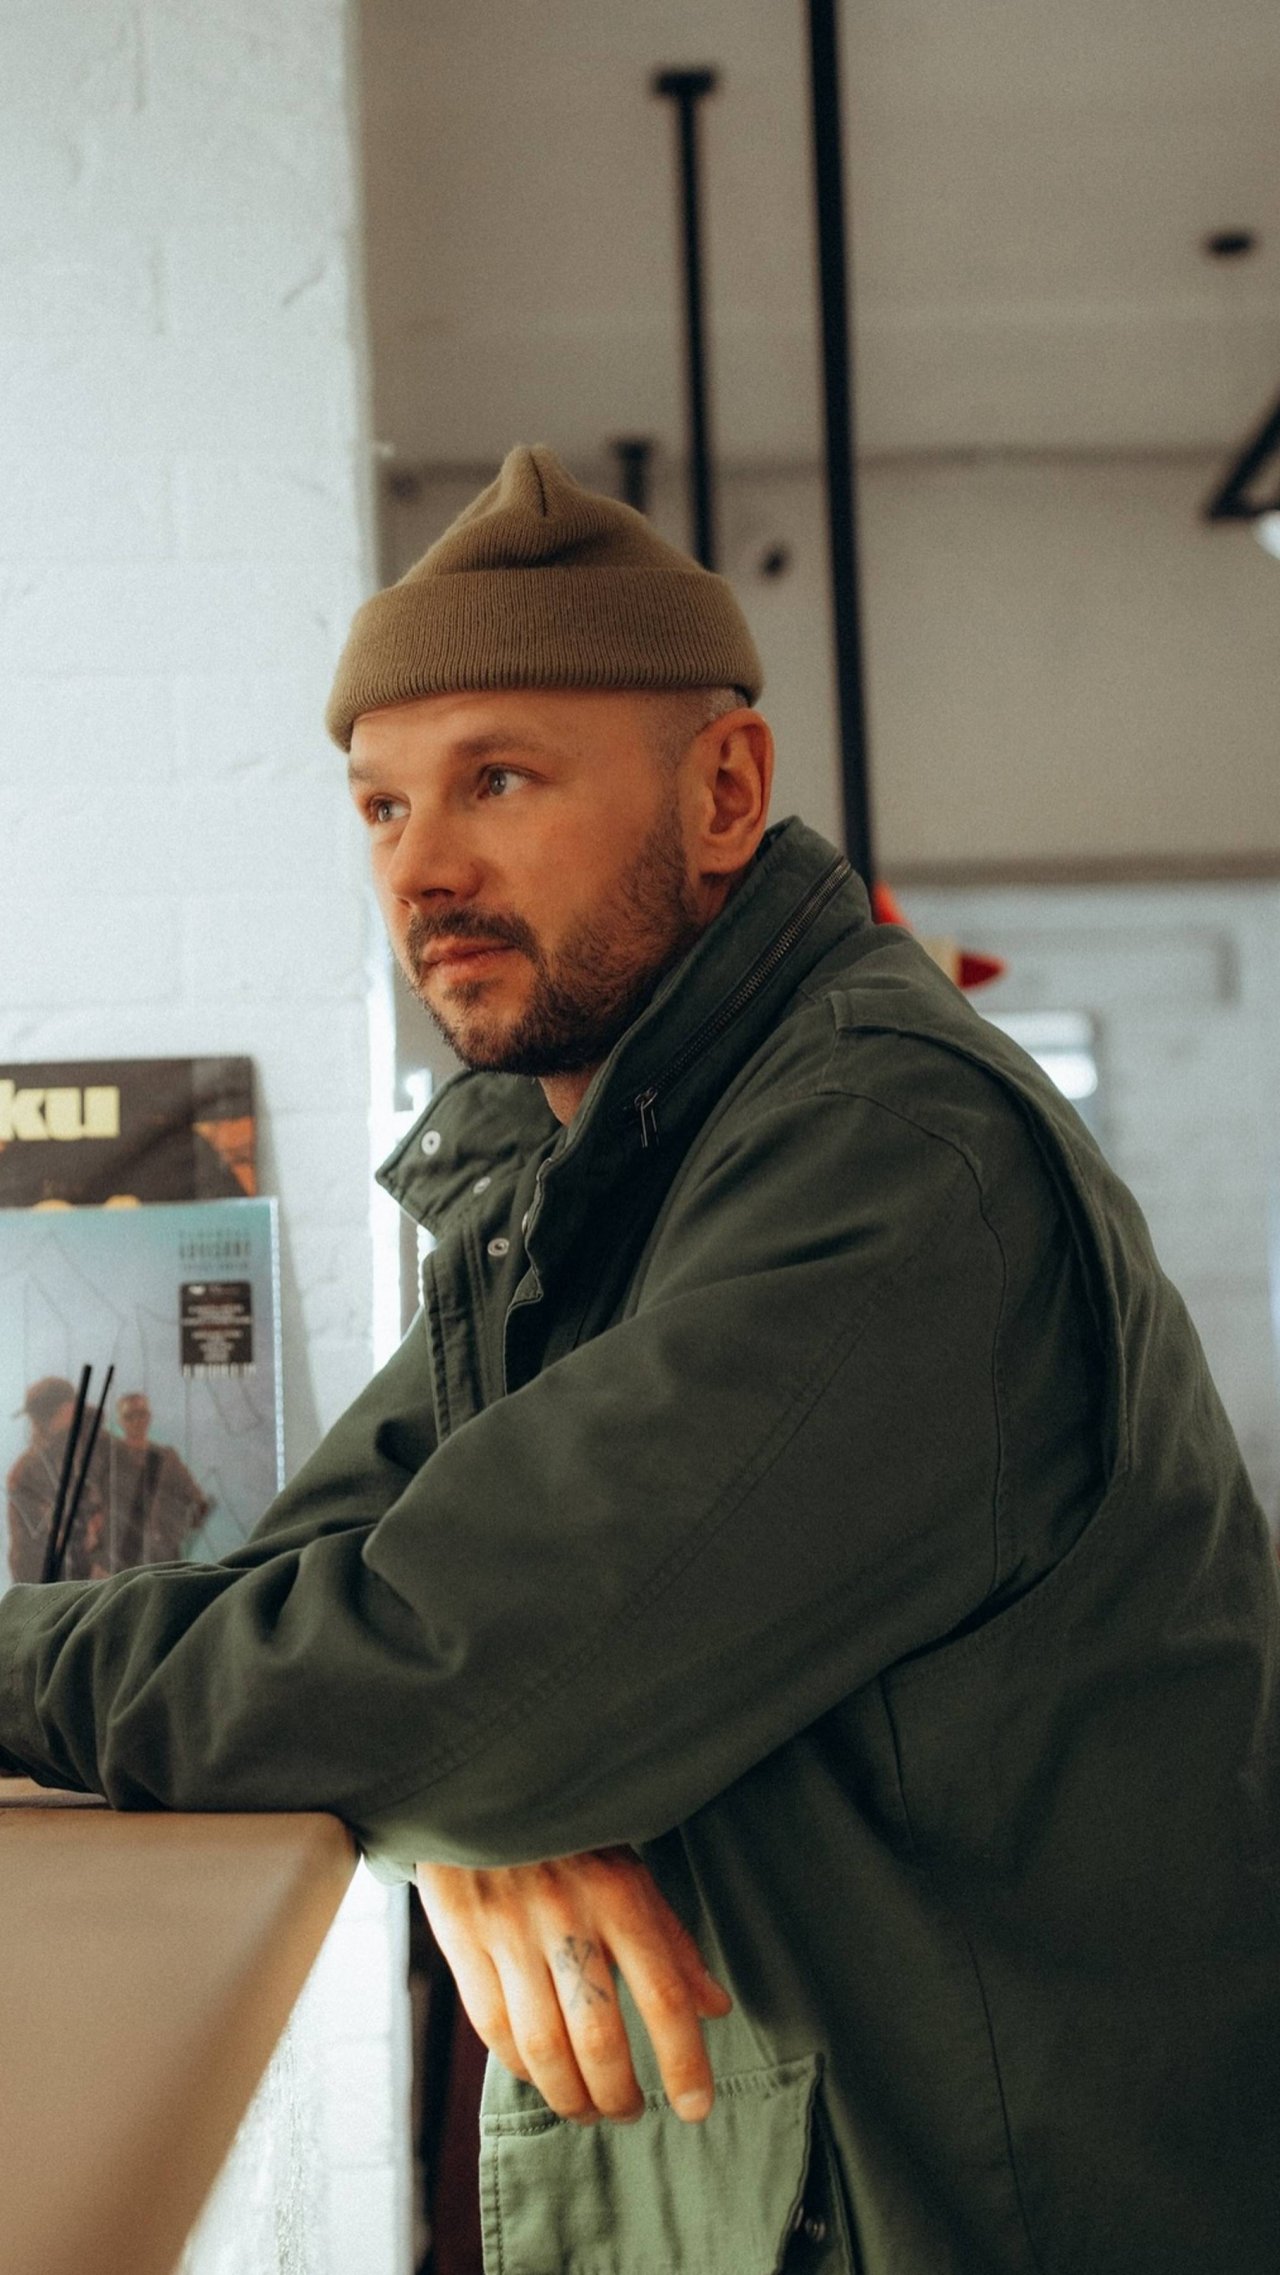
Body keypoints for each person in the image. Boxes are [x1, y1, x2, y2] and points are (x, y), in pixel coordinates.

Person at [0, 447, 1277, 2272]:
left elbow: (424, 1670)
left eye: (498, 780)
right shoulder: (592, 1167)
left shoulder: (885, 1163)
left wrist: (447, 1748)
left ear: (725, 791)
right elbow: (339, 1608)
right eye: (380, 807)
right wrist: (462, 1801)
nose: (423, 866)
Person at [6, 1375, 108, 1583]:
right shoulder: (27, 1472)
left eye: (43, 1415)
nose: (36, 1424)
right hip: (49, 1581)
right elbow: (45, 1537)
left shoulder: (89, 1448)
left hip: (89, 1574)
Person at [106, 1393, 211, 1567]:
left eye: (141, 1414)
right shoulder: (110, 1456)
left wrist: (175, 1533)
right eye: (130, 1416)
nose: (137, 1421)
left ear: (149, 1417)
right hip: (121, 1552)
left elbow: (198, 1500)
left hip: (163, 1552)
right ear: (120, 1421)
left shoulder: (167, 1457)